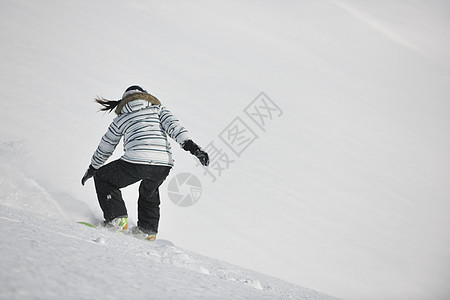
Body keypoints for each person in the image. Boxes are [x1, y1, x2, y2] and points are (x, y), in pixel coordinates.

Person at [81, 85, 209, 241]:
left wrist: (93, 167)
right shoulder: (159, 110)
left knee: (103, 177)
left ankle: (116, 219)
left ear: (124, 101)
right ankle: (147, 230)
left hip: (137, 161)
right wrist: (194, 149)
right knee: (149, 191)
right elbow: (176, 129)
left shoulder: (122, 118)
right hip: (163, 164)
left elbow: (106, 145)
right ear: (146, 96)